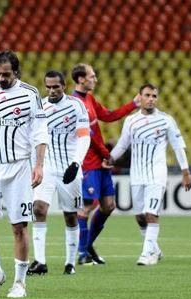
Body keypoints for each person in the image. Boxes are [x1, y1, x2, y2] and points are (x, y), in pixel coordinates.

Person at [0, 50, 48, 298]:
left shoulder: (30, 94)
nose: (0, 78)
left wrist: (39, 164)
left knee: (18, 226)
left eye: (5, 74)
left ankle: (20, 283)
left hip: (18, 167)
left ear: (16, 72)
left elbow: (40, 133)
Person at [104, 83, 191, 265]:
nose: (151, 99)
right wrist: (110, 159)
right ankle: (155, 250)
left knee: (151, 213)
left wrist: (186, 172)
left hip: (156, 174)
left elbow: (178, 147)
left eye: (154, 96)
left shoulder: (166, 120)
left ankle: (146, 254)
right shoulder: (131, 121)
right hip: (137, 174)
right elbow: (122, 144)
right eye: (147, 95)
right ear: (140, 97)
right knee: (140, 217)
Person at [71, 63, 140, 265]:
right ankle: (82, 254)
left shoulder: (90, 99)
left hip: (100, 161)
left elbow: (109, 116)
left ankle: (88, 244)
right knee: (87, 206)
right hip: (88, 162)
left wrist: (133, 104)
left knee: (108, 205)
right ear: (81, 79)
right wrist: (107, 155)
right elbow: (89, 137)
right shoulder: (76, 103)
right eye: (92, 76)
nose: (96, 79)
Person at [27, 70, 90, 276]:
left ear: (64, 86)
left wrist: (75, 164)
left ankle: (70, 263)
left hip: (69, 168)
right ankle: (40, 262)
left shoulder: (76, 105)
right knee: (38, 209)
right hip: (46, 168)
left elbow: (83, 137)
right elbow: (33, 139)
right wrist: (34, 166)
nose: (52, 90)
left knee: (71, 216)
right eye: (48, 87)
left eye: (56, 86)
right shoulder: (40, 107)